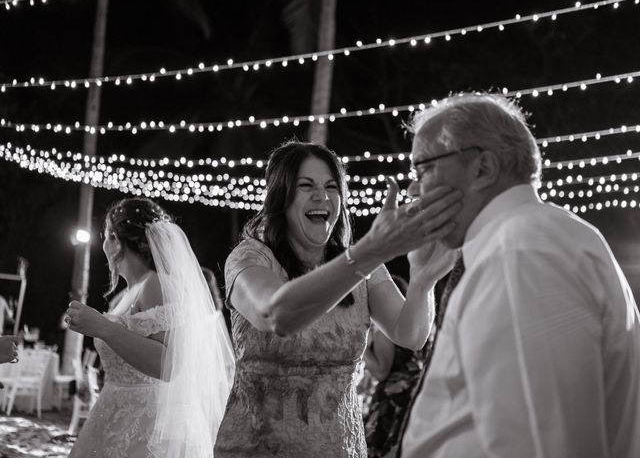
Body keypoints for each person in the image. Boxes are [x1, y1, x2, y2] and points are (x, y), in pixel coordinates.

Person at [401, 93, 640, 457]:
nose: (414, 190)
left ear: (483, 169)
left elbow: (549, 444)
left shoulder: (521, 253)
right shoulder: (533, 237)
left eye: (424, 168)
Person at [215, 140, 462, 457]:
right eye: (306, 185)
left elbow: (410, 335)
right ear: (282, 197)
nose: (322, 195)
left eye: (332, 186)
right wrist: (370, 251)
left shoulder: (366, 267)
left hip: (339, 447)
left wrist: (423, 279)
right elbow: (276, 314)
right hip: (257, 447)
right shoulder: (250, 259)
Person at [66, 197, 234, 458]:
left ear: (118, 241)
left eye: (107, 235)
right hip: (112, 410)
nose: (104, 244)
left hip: (145, 426)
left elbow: (168, 365)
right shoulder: (125, 295)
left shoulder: (155, 284)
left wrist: (102, 327)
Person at [362, 275, 448, 458]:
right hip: (419, 393)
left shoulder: (387, 327)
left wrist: (358, 347)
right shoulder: (424, 325)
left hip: (394, 397)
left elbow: (381, 370)